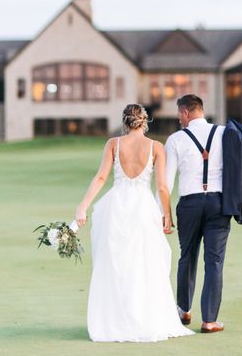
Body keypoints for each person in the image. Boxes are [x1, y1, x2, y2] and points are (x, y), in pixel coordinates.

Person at [74, 103, 195, 342]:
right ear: (144, 121)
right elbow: (162, 187)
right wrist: (167, 216)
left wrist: (83, 205)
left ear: (125, 121)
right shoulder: (156, 147)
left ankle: (115, 322)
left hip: (115, 207)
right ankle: (142, 320)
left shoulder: (113, 144)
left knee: (116, 264)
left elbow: (100, 177)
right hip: (143, 208)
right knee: (145, 264)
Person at [162, 94, 231, 333]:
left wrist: (166, 214)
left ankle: (183, 310)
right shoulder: (223, 133)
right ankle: (210, 320)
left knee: (187, 256)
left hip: (189, 204)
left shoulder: (175, 139)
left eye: (178, 115)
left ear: (185, 113)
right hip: (218, 203)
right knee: (214, 261)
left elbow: (166, 181)